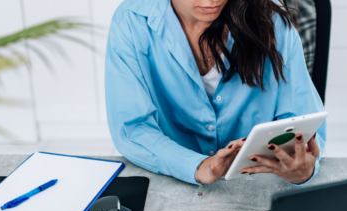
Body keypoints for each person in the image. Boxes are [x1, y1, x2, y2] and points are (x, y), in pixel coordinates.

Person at [105, 0, 326, 189]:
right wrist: (195, 166)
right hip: (171, 183)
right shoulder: (131, 20)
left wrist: (301, 170)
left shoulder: (272, 20)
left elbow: (304, 122)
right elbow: (133, 128)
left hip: (257, 185)